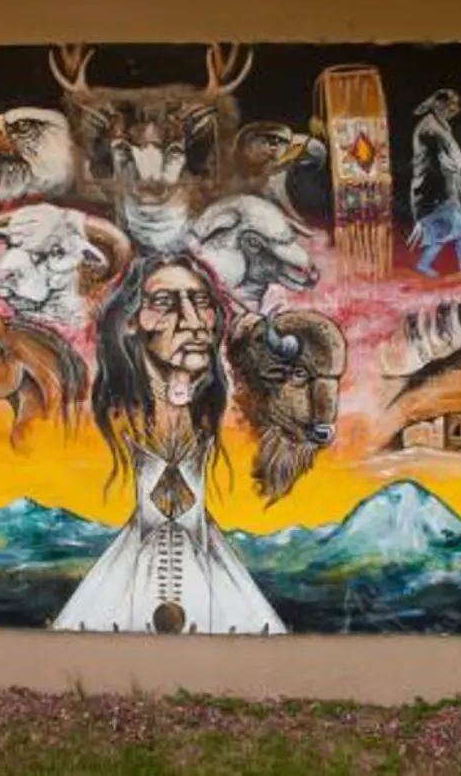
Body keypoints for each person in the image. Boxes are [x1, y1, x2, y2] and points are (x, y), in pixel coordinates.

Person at [52, 254, 286, 635]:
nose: (192, 321)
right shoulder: (100, 424)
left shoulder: (230, 424)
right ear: (130, 322)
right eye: (164, 302)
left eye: (201, 302)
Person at [408, 89, 461, 277]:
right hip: (433, 193)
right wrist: (450, 193)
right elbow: (442, 164)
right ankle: (427, 265)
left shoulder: (439, 126)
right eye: (450, 106)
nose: (454, 110)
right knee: (442, 237)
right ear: (439, 106)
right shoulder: (430, 128)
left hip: (439, 191)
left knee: (456, 233)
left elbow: (451, 161)